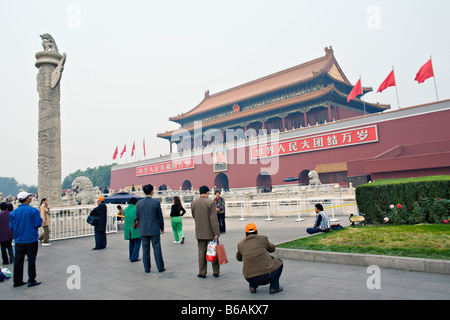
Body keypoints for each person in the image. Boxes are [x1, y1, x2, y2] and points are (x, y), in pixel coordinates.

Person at [236, 223, 283, 294]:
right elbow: (272, 249)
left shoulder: (241, 244)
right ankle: (274, 287)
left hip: (249, 278)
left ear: (245, 234)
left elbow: (239, 258)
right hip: (267, 276)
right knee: (279, 262)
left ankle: (252, 287)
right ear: (257, 232)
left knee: (251, 265)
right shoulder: (263, 238)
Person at [8, 191, 42, 288]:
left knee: (18, 261)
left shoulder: (13, 213)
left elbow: (11, 226)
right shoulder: (33, 211)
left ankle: (17, 280)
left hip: (18, 240)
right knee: (31, 260)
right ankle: (31, 279)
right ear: (27, 199)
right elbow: (37, 224)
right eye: (29, 196)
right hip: (31, 239)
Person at [191, 186, 221, 278]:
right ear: (207, 192)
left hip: (200, 232)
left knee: (201, 252)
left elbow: (193, 215)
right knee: (214, 251)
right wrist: (216, 233)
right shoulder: (210, 202)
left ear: (199, 193)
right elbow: (213, 219)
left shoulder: (194, 203)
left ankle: (202, 272)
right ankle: (216, 272)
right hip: (210, 232)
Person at [135, 184, 165, 273]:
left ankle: (147, 268)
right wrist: (162, 227)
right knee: (157, 248)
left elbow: (137, 217)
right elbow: (160, 216)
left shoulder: (139, 203)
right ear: (152, 191)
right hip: (154, 229)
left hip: (143, 229)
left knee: (145, 249)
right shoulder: (155, 203)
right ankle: (160, 267)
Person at [123, 197, 141, 262]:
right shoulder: (136, 209)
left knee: (131, 243)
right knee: (137, 243)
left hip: (128, 230)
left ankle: (131, 256)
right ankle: (134, 257)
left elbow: (123, 215)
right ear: (135, 203)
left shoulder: (126, 209)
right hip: (135, 228)